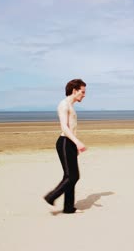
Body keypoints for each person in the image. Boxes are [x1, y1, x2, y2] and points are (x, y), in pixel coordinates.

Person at [44, 79, 87, 214]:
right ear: (74, 91)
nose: (84, 95)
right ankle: (51, 197)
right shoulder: (64, 105)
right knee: (72, 176)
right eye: (82, 92)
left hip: (70, 143)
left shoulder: (70, 105)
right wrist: (77, 142)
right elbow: (64, 127)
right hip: (64, 142)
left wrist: (75, 145)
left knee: (70, 176)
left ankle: (69, 208)